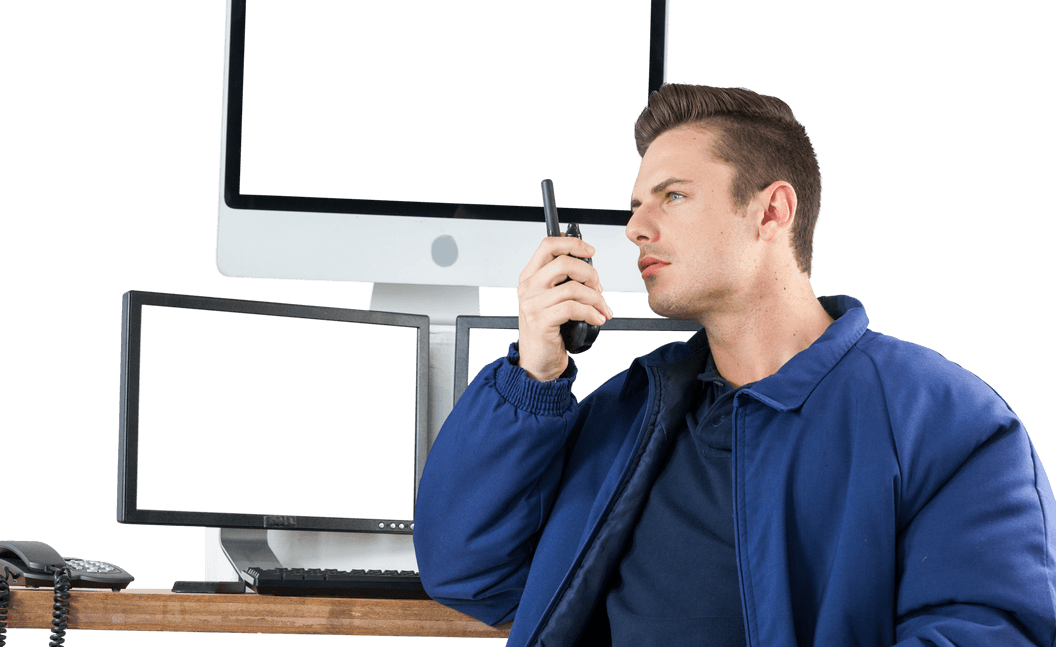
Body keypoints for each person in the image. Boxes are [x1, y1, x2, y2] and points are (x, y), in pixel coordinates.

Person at [412, 84, 1056, 647]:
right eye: (636, 205)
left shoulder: (947, 423)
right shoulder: (627, 414)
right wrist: (533, 378)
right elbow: (470, 574)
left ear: (772, 211)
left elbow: (992, 629)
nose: (636, 228)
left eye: (673, 195)